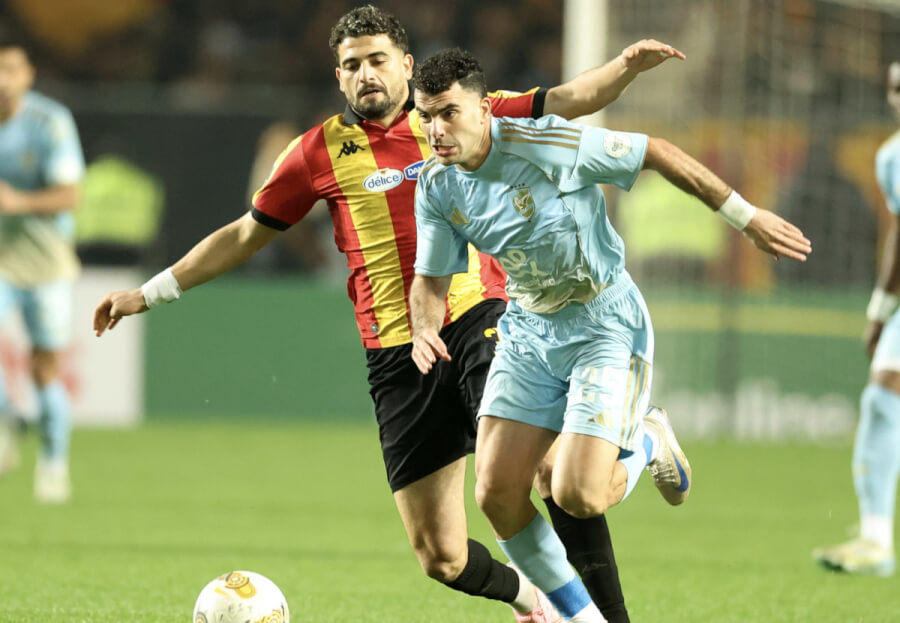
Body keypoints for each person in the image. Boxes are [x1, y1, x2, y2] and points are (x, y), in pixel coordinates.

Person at [93, 6, 685, 622]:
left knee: (541, 471)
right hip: (395, 353)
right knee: (441, 556)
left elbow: (566, 98)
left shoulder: (456, 114)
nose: (366, 74)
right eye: (352, 65)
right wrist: (150, 291)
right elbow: (246, 235)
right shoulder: (315, 152)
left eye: (378, 60)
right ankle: (532, 595)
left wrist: (623, 67)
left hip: (481, 318)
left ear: (405, 64)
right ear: (339, 77)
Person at [409, 48, 811, 622]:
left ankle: (648, 437)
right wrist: (424, 327)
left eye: (448, 113)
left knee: (579, 494)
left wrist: (747, 219)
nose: (435, 130)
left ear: (482, 106)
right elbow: (430, 280)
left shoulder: (545, 146)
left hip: (602, 324)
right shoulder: (437, 185)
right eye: (425, 116)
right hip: (527, 330)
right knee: (495, 492)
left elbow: (657, 152)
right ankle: (581, 617)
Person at [813, 60, 900, 577]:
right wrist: (879, 311)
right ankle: (874, 538)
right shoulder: (891, 158)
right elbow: (898, 234)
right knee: (883, 394)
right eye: (896, 87)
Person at [0, 41, 85, 503]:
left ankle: (53, 462)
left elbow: (70, 197)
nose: (1, 81)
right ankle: (7, 419)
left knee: (44, 367)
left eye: (9, 70)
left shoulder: (49, 121)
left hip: (44, 261)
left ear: (28, 75)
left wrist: (17, 202)